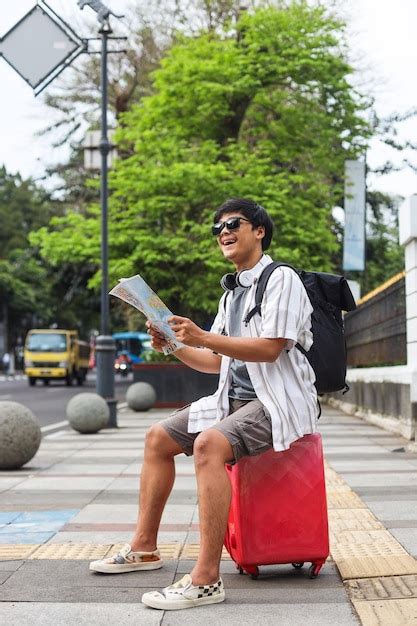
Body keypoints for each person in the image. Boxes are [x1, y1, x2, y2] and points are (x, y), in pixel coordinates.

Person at [90, 198, 318, 610]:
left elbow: (269, 349)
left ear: (260, 231)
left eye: (234, 224)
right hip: (232, 401)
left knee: (208, 444)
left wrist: (202, 336)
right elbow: (214, 362)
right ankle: (144, 548)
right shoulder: (231, 294)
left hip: (279, 403)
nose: (224, 232)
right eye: (218, 229)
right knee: (158, 438)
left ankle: (207, 578)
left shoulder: (281, 279)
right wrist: (175, 345)